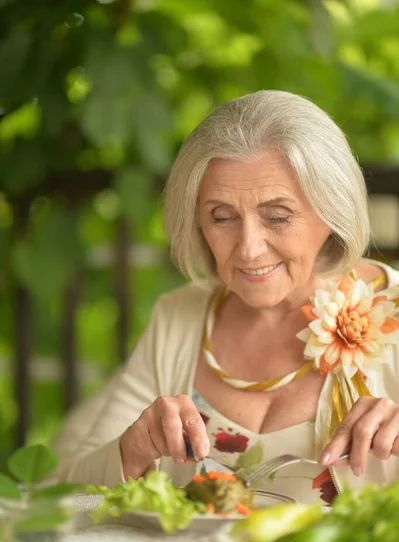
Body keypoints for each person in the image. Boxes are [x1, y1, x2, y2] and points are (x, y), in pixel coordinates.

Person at [52, 90, 399, 505]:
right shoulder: (180, 318)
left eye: (277, 216)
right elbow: (63, 491)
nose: (249, 247)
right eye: (222, 217)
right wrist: (132, 451)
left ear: (332, 211)